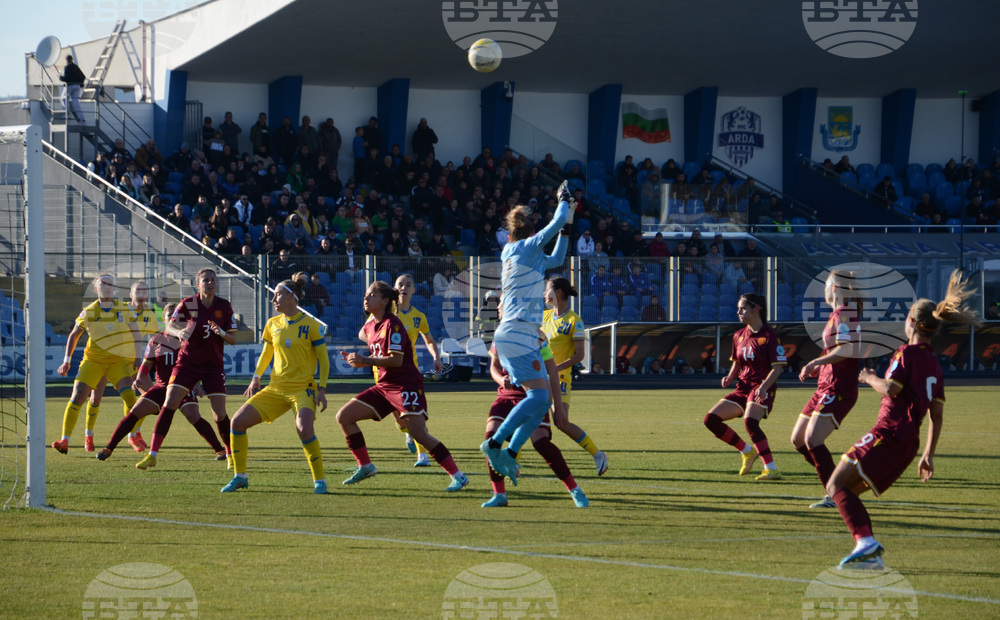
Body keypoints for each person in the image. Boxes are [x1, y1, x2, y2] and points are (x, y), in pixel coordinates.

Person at [828, 271, 980, 569]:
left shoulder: (906, 353)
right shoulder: (935, 362)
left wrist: (869, 377)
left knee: (835, 485)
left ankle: (867, 543)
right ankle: (868, 553)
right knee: (847, 493)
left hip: (889, 433)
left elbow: (891, 388)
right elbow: (936, 414)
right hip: (909, 444)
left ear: (911, 321)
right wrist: (928, 455)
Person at [336, 281, 468, 491]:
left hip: (405, 384)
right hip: (384, 385)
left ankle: (458, 475)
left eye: (371, 295)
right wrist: (360, 359)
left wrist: (366, 360)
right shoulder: (370, 325)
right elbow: (368, 339)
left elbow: (396, 361)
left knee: (419, 434)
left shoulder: (393, 324)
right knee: (344, 416)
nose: (366, 298)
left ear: (385, 301)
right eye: (366, 295)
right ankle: (366, 466)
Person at [480, 182, 571, 483]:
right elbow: (554, 224)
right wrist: (563, 201)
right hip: (518, 330)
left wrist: (567, 229)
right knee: (539, 396)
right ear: (531, 235)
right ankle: (496, 444)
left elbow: (556, 259)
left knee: (542, 399)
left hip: (518, 332)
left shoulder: (513, 251)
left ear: (509, 233)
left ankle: (509, 451)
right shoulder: (527, 246)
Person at [221, 273, 330, 494]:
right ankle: (240, 477)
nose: (273, 300)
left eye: (277, 295)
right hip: (276, 388)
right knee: (237, 422)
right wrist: (256, 377)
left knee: (304, 429)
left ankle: (319, 481)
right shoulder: (272, 324)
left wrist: (322, 388)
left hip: (302, 390)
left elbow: (324, 359)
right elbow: (266, 353)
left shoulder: (311, 325)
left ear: (291, 297)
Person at [97, 303, 227, 462]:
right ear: (165, 319)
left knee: (193, 415)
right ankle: (109, 447)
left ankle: (219, 450)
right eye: (171, 315)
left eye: (178, 315)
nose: (175, 317)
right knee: (134, 412)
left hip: (183, 387)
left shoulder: (191, 339)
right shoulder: (156, 339)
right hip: (161, 387)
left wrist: (197, 384)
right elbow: (147, 363)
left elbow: (199, 364)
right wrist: (139, 377)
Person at [136, 268, 237, 469]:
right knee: (169, 403)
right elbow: (169, 327)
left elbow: (233, 338)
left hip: (213, 367)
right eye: (206, 280)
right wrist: (179, 332)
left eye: (213, 280)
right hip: (187, 363)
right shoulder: (188, 304)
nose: (210, 283)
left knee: (219, 414)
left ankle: (230, 454)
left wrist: (221, 332)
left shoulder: (224, 306)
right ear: (197, 284)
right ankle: (153, 454)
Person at [482, 329, 588, 508]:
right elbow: (494, 366)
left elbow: (552, 371)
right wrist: (501, 380)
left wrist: (559, 407)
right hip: (506, 396)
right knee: (490, 438)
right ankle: (499, 494)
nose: (498, 307)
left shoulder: (537, 335)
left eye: (502, 303)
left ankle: (575, 489)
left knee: (541, 443)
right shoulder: (500, 334)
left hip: (534, 394)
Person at [791, 269, 863, 508]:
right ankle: (840, 483)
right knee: (798, 440)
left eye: (825, 284)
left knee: (812, 439)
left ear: (834, 288)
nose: (822, 289)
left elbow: (847, 350)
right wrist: (820, 368)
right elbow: (836, 350)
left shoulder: (846, 314)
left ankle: (837, 493)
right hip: (824, 386)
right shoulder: (838, 315)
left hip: (839, 389)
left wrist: (815, 361)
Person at [51, 274, 141, 454]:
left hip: (117, 362)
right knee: (78, 397)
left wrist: (139, 357)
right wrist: (66, 361)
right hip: (93, 362)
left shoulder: (124, 309)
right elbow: (74, 335)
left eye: (111, 284)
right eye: (104, 284)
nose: (108, 287)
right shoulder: (89, 311)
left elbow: (136, 333)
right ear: (95, 288)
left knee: (131, 399)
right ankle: (65, 440)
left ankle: (133, 436)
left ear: (114, 288)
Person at [702, 293, 787, 480]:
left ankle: (771, 468)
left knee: (750, 422)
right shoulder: (738, 335)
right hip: (743, 387)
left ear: (757, 309)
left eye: (743, 308)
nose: (738, 312)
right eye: (739, 308)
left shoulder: (770, 336)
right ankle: (747, 452)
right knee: (711, 420)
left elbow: (778, 368)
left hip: (761, 387)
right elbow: (738, 363)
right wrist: (730, 376)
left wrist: (764, 387)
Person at [542, 278, 609, 475]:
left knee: (561, 422)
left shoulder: (574, 321)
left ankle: (598, 455)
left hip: (560, 378)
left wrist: (555, 369)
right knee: (530, 415)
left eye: (548, 289)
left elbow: (580, 355)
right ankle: (514, 461)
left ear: (559, 292)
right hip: (540, 377)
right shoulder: (544, 317)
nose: (544, 293)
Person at [381, 274, 444, 467]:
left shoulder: (418, 317)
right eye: (400, 284)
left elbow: (429, 340)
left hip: (409, 372)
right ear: (394, 288)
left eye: (409, 285)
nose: (404, 288)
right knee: (400, 420)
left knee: (414, 414)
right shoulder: (385, 314)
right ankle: (408, 433)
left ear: (414, 290)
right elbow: (365, 333)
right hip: (385, 372)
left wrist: (436, 357)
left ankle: (422, 457)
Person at [59, 55, 86, 122]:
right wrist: (81, 83)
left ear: (67, 60)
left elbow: (66, 78)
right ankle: (81, 118)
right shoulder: (76, 67)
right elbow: (83, 76)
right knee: (76, 102)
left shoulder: (67, 67)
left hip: (70, 86)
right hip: (77, 86)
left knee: (63, 98)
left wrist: (60, 77)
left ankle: (66, 114)